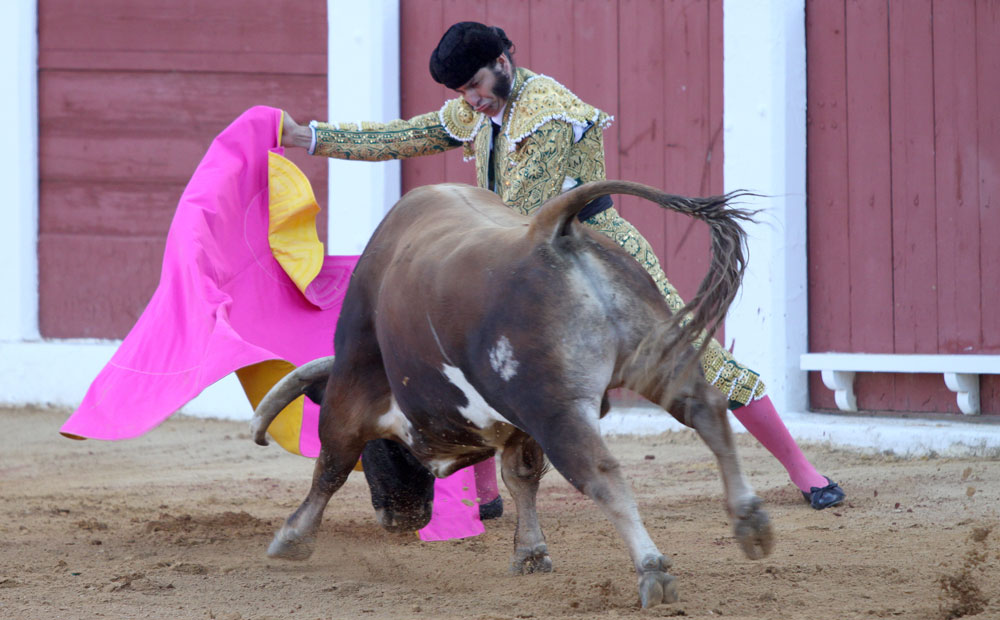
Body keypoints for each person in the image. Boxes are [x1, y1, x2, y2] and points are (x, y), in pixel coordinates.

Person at [281, 21, 845, 511]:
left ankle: (803, 472)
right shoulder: (477, 108)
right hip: (512, 256)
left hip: (594, 253)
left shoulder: (548, 111)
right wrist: (309, 137)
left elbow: (527, 209)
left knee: (698, 361)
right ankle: (487, 497)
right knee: (469, 354)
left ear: (502, 62)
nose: (472, 100)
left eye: (475, 85)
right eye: (462, 91)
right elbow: (405, 136)